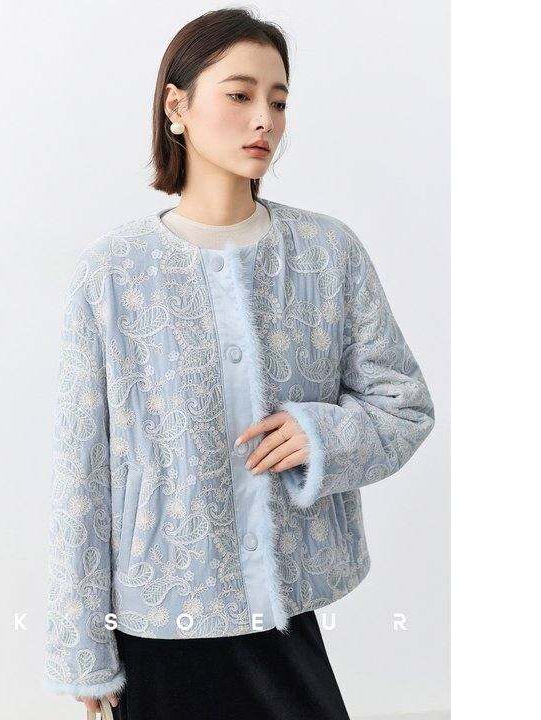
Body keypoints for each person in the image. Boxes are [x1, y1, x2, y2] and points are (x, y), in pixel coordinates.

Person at [43, 8, 435, 719]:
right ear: (177, 107)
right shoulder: (113, 273)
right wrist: (82, 647)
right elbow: (82, 474)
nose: (265, 120)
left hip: (285, 610)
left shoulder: (327, 253)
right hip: (157, 626)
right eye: (240, 94)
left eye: (279, 101)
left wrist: (320, 433)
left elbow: (404, 404)